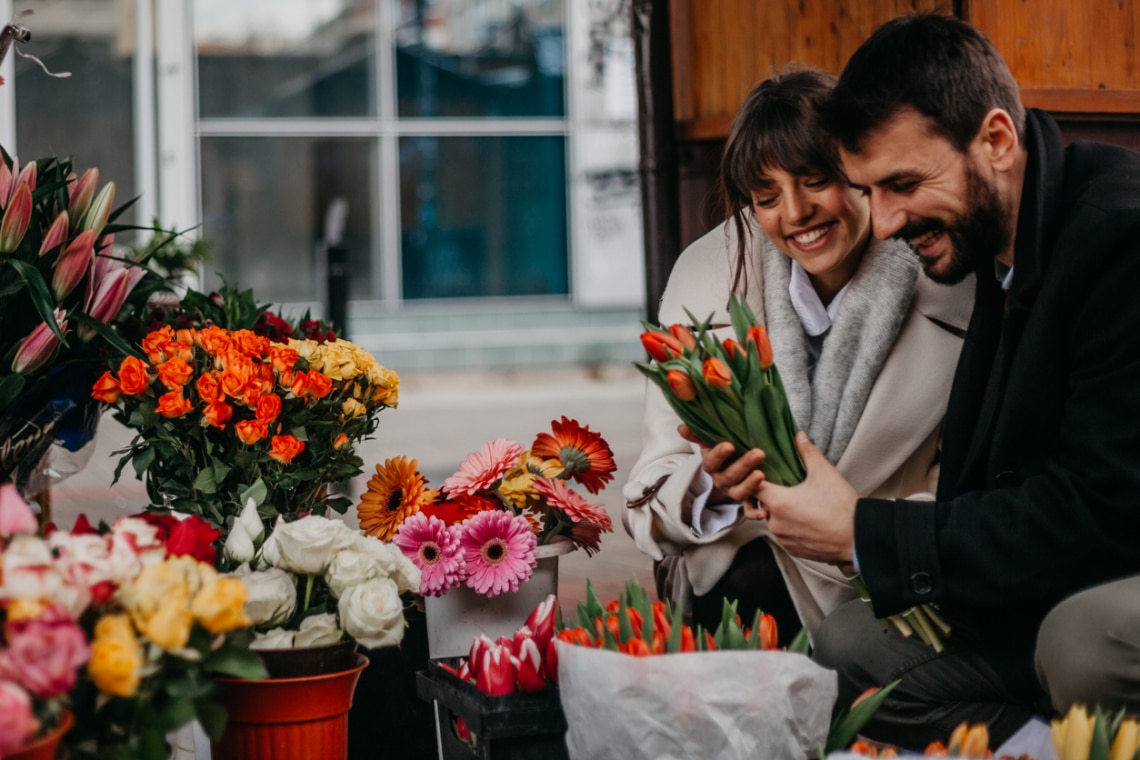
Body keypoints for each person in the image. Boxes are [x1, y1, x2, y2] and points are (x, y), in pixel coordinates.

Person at [747, 11, 1140, 748]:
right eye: (870, 190)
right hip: (1075, 572)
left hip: (1111, 573)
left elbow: (1105, 513)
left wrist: (866, 532)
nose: (886, 222)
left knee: (1084, 644)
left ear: (995, 140)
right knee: (852, 647)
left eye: (902, 183)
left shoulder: (1121, 239)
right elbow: (998, 487)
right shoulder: (996, 239)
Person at [622, 69, 973, 644]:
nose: (796, 213)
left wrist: (859, 534)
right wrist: (710, 487)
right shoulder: (709, 279)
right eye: (767, 198)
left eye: (816, 181)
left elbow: (965, 485)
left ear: (861, 170)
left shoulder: (949, 281)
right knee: (744, 577)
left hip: (890, 594)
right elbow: (648, 493)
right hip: (742, 595)